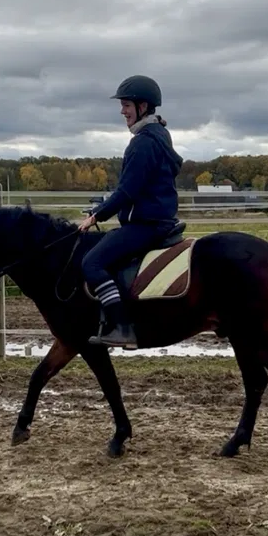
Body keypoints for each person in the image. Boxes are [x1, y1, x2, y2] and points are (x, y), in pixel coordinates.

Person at [79, 74, 184, 348]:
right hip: (158, 219)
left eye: (126, 105)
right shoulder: (159, 135)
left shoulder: (143, 142)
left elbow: (127, 191)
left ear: (143, 106)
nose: (122, 111)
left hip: (146, 224)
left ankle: (122, 327)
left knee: (92, 263)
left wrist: (96, 216)